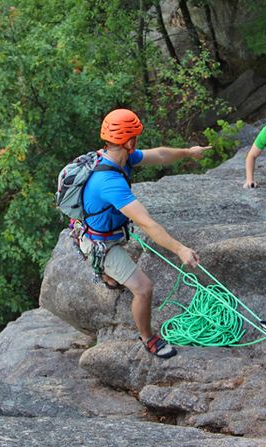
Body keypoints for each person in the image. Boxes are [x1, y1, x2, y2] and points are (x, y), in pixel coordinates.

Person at [80, 108, 210, 359]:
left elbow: (159, 154)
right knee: (143, 288)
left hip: (103, 229)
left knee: (119, 276)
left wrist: (188, 153)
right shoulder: (109, 182)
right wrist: (180, 249)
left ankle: (108, 275)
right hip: (100, 242)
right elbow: (147, 224)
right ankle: (148, 338)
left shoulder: (117, 156)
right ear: (129, 141)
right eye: (136, 137)